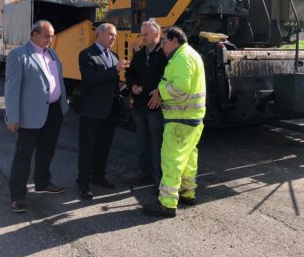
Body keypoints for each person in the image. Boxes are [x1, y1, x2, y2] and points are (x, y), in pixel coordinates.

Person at [5, 20, 69, 213]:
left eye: (52, 36)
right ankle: (18, 197)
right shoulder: (19, 55)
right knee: (24, 155)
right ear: (34, 35)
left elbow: (57, 80)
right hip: (30, 115)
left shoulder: (52, 53)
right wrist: (12, 117)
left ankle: (42, 182)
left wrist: (63, 104)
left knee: (47, 151)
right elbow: (11, 89)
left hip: (54, 111)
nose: (51, 39)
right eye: (47, 36)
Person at [143, 26, 206, 218]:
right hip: (191, 118)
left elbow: (180, 87)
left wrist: (160, 92)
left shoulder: (182, 58)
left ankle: (167, 204)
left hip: (180, 118)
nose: (162, 45)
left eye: (164, 41)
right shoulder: (189, 55)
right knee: (187, 159)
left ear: (175, 41)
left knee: (171, 159)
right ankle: (187, 193)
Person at [76, 22, 129, 200]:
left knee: (104, 146)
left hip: (110, 110)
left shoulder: (114, 56)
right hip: (92, 110)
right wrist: (115, 69)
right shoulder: (87, 54)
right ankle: (83, 183)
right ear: (100, 34)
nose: (114, 38)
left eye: (115, 35)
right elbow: (91, 78)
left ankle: (99, 175)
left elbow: (112, 84)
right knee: (87, 148)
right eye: (111, 34)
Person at [125, 20, 168, 186]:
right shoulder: (139, 54)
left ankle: (160, 178)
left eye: (146, 34)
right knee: (142, 141)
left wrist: (153, 90)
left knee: (158, 143)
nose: (143, 37)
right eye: (142, 34)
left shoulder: (164, 55)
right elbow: (130, 73)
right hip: (139, 106)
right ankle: (145, 173)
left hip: (155, 106)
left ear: (156, 34)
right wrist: (132, 86)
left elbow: (167, 78)